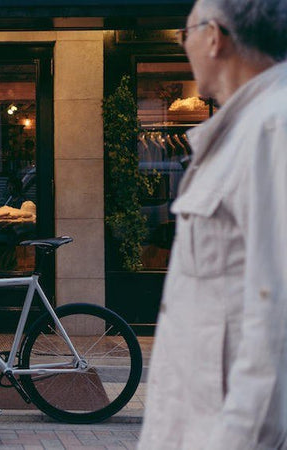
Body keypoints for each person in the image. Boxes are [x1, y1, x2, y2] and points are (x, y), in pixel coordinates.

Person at [138, 1, 287, 448]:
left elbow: (277, 314)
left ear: (214, 36)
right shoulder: (244, 128)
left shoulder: (272, 127)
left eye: (186, 34)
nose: (184, 46)